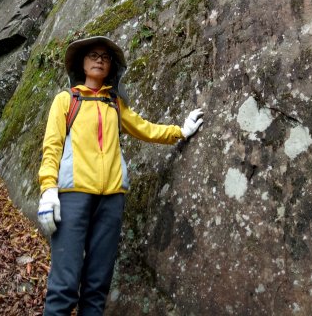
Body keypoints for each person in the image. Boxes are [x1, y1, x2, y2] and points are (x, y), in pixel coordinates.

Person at [37, 35, 204, 316]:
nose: (99, 59)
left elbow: (144, 128)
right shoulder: (67, 100)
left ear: (111, 66)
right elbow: (52, 145)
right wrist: (48, 189)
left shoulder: (114, 103)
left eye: (105, 56)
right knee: (64, 285)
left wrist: (180, 131)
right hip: (73, 196)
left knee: (97, 285)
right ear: (82, 61)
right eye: (93, 54)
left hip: (111, 200)